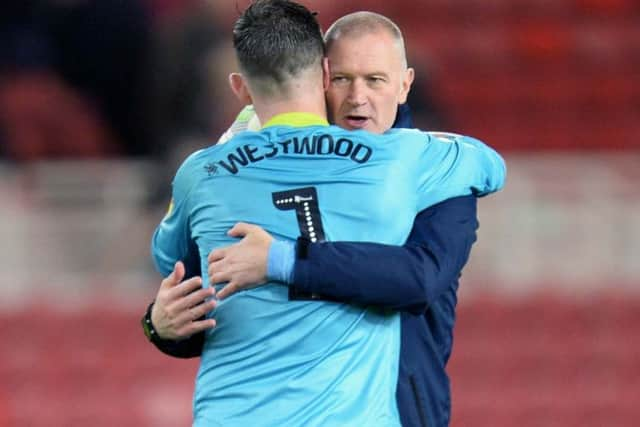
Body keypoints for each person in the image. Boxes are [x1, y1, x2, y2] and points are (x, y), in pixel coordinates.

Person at [147, 1, 505, 425]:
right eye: (342, 79)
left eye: (375, 80)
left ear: (405, 85)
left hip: (404, 406)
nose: (358, 97)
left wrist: (280, 260)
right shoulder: (422, 162)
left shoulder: (423, 173)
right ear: (320, 80)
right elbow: (207, 299)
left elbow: (418, 279)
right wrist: (159, 325)